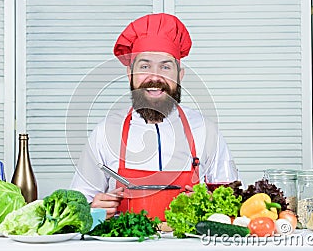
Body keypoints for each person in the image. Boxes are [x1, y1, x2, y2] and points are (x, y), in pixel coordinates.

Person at [70, 13, 238, 218]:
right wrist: (93, 211)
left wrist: (215, 206)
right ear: (129, 74)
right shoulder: (105, 132)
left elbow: (233, 206)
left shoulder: (206, 131)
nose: (155, 77)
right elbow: (77, 211)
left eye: (165, 67)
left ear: (180, 75)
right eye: (145, 66)